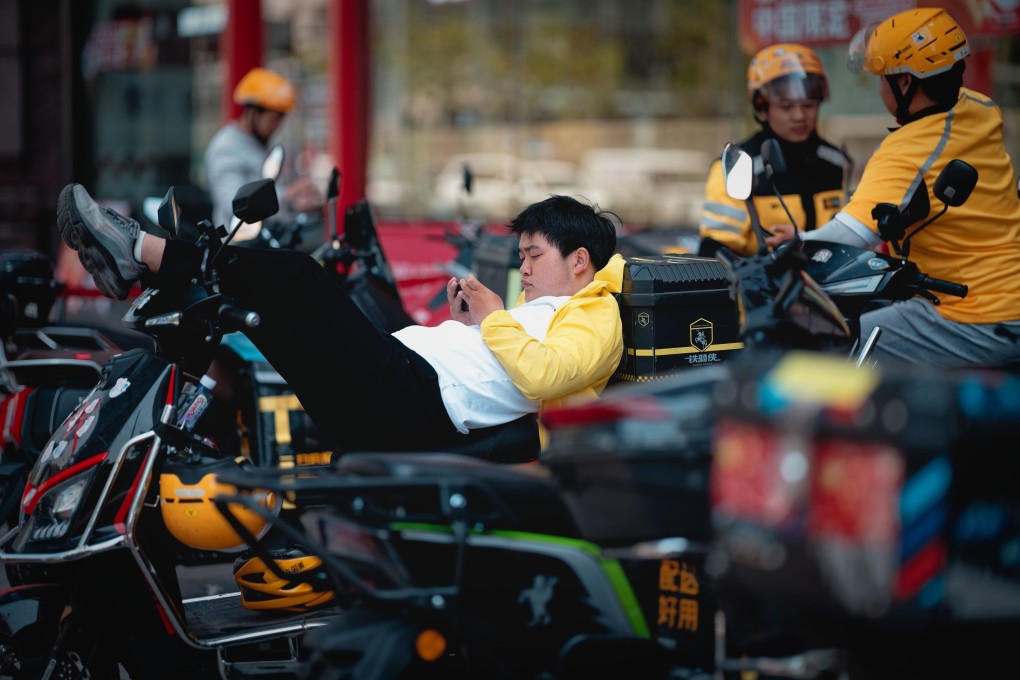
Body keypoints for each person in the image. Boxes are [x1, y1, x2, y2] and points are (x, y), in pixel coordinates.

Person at [54, 185, 625, 455]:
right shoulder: (545, 309)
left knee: (298, 279)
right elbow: (510, 361)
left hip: (414, 398)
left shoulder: (599, 312)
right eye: (520, 256)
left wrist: (495, 320)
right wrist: (472, 326)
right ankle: (154, 269)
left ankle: (144, 252)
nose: (522, 268)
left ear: (580, 261)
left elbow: (545, 378)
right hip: (405, 385)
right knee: (250, 317)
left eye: (534, 257)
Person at [766, 7, 1020, 368]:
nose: (879, 86)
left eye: (881, 77)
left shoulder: (906, 152)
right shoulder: (982, 109)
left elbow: (847, 235)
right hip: (1009, 293)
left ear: (904, 83)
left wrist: (792, 249)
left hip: (973, 313)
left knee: (832, 344)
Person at [698, 43, 851, 257]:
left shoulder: (836, 162)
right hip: (764, 286)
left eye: (808, 105)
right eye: (786, 107)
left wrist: (807, 240)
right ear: (762, 108)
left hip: (832, 284)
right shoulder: (738, 165)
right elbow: (715, 251)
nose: (799, 116)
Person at [204, 67, 320, 230]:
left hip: (272, 237)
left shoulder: (262, 144)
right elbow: (233, 204)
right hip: (240, 246)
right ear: (253, 112)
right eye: (274, 119)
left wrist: (297, 203)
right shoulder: (226, 148)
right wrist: (288, 194)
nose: (277, 126)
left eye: (281, 119)